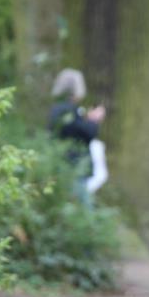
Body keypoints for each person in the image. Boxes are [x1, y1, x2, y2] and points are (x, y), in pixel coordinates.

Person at [48, 69, 108, 204]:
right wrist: (93, 121)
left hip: (63, 167)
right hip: (73, 168)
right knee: (84, 209)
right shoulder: (69, 110)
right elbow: (87, 133)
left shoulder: (57, 109)